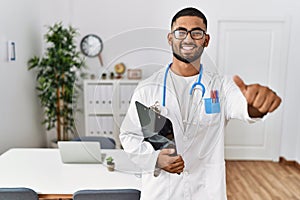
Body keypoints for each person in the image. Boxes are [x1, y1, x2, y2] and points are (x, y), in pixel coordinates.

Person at [120, 7, 281, 200]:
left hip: (206, 191)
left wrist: (256, 106)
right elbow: (129, 135)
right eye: (181, 32)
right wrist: (155, 159)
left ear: (206, 40)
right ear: (170, 38)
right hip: (162, 191)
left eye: (196, 33)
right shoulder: (147, 89)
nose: (188, 39)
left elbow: (244, 106)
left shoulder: (221, 86)